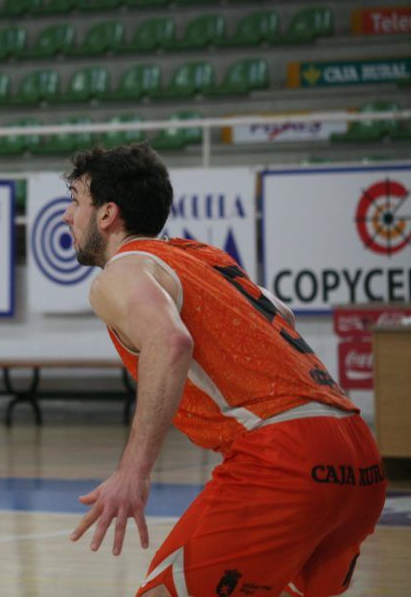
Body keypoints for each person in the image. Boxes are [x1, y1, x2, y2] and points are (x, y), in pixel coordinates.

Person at [62, 143, 386, 596]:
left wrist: (133, 471)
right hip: (359, 453)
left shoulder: (122, 272)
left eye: (75, 202)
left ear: (107, 215)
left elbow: (170, 341)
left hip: (284, 454)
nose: (66, 216)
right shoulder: (204, 256)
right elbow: (283, 315)